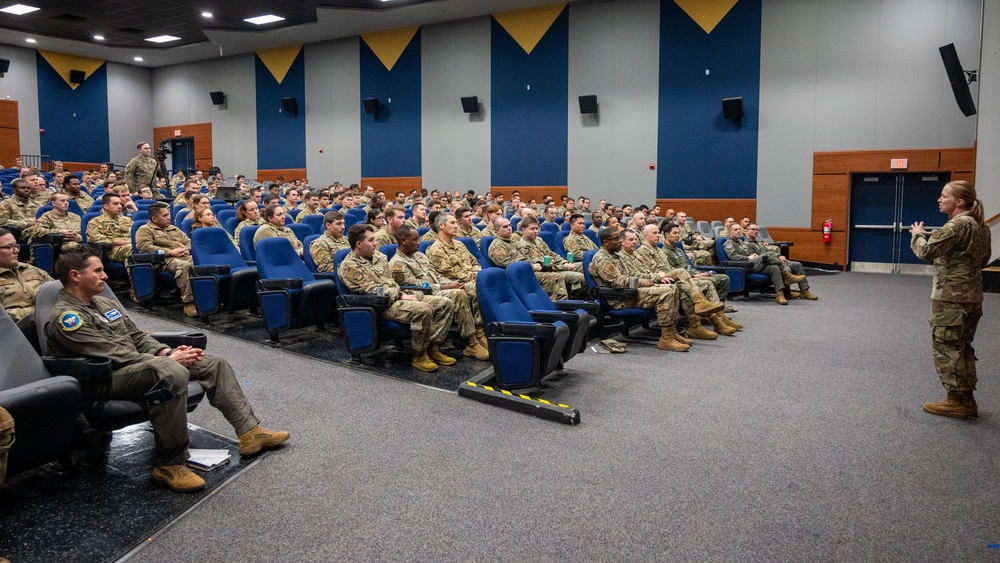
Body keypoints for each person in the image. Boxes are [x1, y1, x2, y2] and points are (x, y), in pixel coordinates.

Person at [45, 247, 289, 492]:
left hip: (140, 367)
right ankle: (169, 464)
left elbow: (138, 337)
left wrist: (166, 352)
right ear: (76, 276)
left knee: (214, 363)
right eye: (98, 271)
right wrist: (172, 360)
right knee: (170, 371)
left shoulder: (104, 303)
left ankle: (250, 433)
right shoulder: (67, 318)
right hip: (103, 379)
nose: (105, 276)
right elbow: (114, 355)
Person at [910, 180, 991, 419]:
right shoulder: (980, 226)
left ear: (960, 202)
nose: (939, 199)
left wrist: (917, 235)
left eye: (944, 195)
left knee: (946, 348)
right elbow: (983, 260)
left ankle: (955, 401)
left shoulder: (956, 225)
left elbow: (925, 252)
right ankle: (967, 400)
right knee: (963, 347)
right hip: (973, 297)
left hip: (950, 299)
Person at [338, 225, 457, 372]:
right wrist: (401, 295)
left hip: (400, 298)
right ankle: (419, 355)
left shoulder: (379, 257)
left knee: (446, 303)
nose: (375, 243)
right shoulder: (348, 267)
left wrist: (404, 295)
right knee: (423, 309)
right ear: (359, 244)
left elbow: (391, 282)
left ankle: (433, 347)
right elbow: (372, 290)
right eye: (371, 240)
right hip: (381, 306)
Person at [389, 225, 489, 360]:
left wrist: (451, 283)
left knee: (466, 288)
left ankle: (478, 334)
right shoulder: (397, 264)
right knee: (458, 294)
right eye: (415, 240)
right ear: (403, 240)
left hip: (437, 288)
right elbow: (416, 286)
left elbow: (435, 275)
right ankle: (471, 341)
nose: (418, 242)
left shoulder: (420, 255)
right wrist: (446, 287)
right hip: (422, 294)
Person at [588, 228, 689, 352]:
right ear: (605, 242)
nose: (620, 241)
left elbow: (632, 273)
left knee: (672, 287)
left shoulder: (615, 255)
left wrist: (652, 278)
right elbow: (618, 282)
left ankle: (672, 332)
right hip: (620, 298)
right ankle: (666, 338)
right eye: (616, 239)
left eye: (620, 238)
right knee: (666, 292)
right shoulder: (602, 259)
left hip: (630, 292)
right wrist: (642, 282)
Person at [629, 227, 734, 338]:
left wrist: (688, 279)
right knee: (683, 280)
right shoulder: (643, 251)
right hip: (660, 281)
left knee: (705, 284)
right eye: (654, 233)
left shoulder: (658, 250)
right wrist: (660, 278)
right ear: (645, 236)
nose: (657, 235)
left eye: (658, 233)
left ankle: (719, 320)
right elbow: (649, 272)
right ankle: (696, 325)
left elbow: (668, 267)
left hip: (670, 278)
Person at [660, 221, 738, 323]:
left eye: (678, 233)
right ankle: (711, 314)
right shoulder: (665, 252)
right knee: (710, 281)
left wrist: (698, 273)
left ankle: (719, 310)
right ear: (666, 235)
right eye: (675, 233)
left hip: (693, 274)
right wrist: (693, 276)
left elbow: (688, 267)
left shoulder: (678, 250)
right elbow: (673, 271)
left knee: (724, 278)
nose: (678, 236)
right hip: (684, 279)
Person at [134, 202, 198, 316]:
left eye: (168, 214)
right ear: (154, 218)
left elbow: (188, 242)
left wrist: (186, 250)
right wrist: (170, 252)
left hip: (184, 256)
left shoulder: (174, 228)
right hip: (163, 261)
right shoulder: (145, 229)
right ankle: (189, 304)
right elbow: (144, 247)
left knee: (203, 263)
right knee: (184, 266)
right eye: (164, 215)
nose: (169, 217)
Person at [722, 223, 804, 305]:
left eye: (739, 229)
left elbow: (747, 252)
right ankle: (787, 275)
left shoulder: (740, 241)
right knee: (769, 255)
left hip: (753, 262)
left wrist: (753, 255)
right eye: (735, 230)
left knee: (774, 267)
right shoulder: (728, 243)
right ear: (729, 232)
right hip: (745, 266)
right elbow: (733, 256)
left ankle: (780, 295)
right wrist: (748, 258)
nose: (738, 231)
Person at [518, 216, 586, 300]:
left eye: (537, 228)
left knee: (585, 266)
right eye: (532, 229)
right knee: (580, 277)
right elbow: (545, 266)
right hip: (550, 271)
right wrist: (565, 267)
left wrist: (564, 262)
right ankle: (574, 301)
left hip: (557, 266)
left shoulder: (539, 240)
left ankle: (591, 300)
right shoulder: (523, 245)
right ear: (524, 230)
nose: (535, 231)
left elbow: (552, 255)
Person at [743, 223, 816, 300]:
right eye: (753, 229)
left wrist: (778, 256)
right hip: (763, 265)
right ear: (746, 231)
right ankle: (784, 292)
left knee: (797, 265)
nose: (755, 231)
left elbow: (769, 250)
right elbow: (753, 258)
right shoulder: (745, 244)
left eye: (757, 230)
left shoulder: (759, 242)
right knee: (783, 268)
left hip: (773, 261)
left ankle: (804, 291)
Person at [0, 227, 52, 330]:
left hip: (49, 323)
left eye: (16, 246)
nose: (16, 251)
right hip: (16, 332)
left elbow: (59, 291)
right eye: (9, 247)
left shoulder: (30, 269)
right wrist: (39, 312)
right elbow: (3, 317)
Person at [86, 193, 134, 263]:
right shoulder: (95, 222)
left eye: (120, 204)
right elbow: (96, 240)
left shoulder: (127, 220)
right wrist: (129, 242)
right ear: (106, 206)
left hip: (130, 246)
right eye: (115, 204)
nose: (120, 206)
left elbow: (137, 234)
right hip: (112, 251)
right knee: (136, 248)